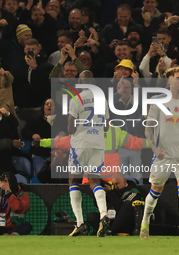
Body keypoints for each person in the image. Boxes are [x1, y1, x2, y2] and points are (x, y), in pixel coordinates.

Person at [140, 66, 179, 241]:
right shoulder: (158, 101)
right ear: (170, 81)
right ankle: (144, 224)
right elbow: (148, 130)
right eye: (178, 78)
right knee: (155, 192)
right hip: (163, 155)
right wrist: (155, 149)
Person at [67, 72, 110, 237]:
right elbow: (106, 126)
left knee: (74, 181)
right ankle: (104, 214)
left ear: (80, 82)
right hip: (98, 144)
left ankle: (80, 223)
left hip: (80, 145)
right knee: (94, 181)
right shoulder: (102, 99)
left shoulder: (76, 98)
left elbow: (71, 127)